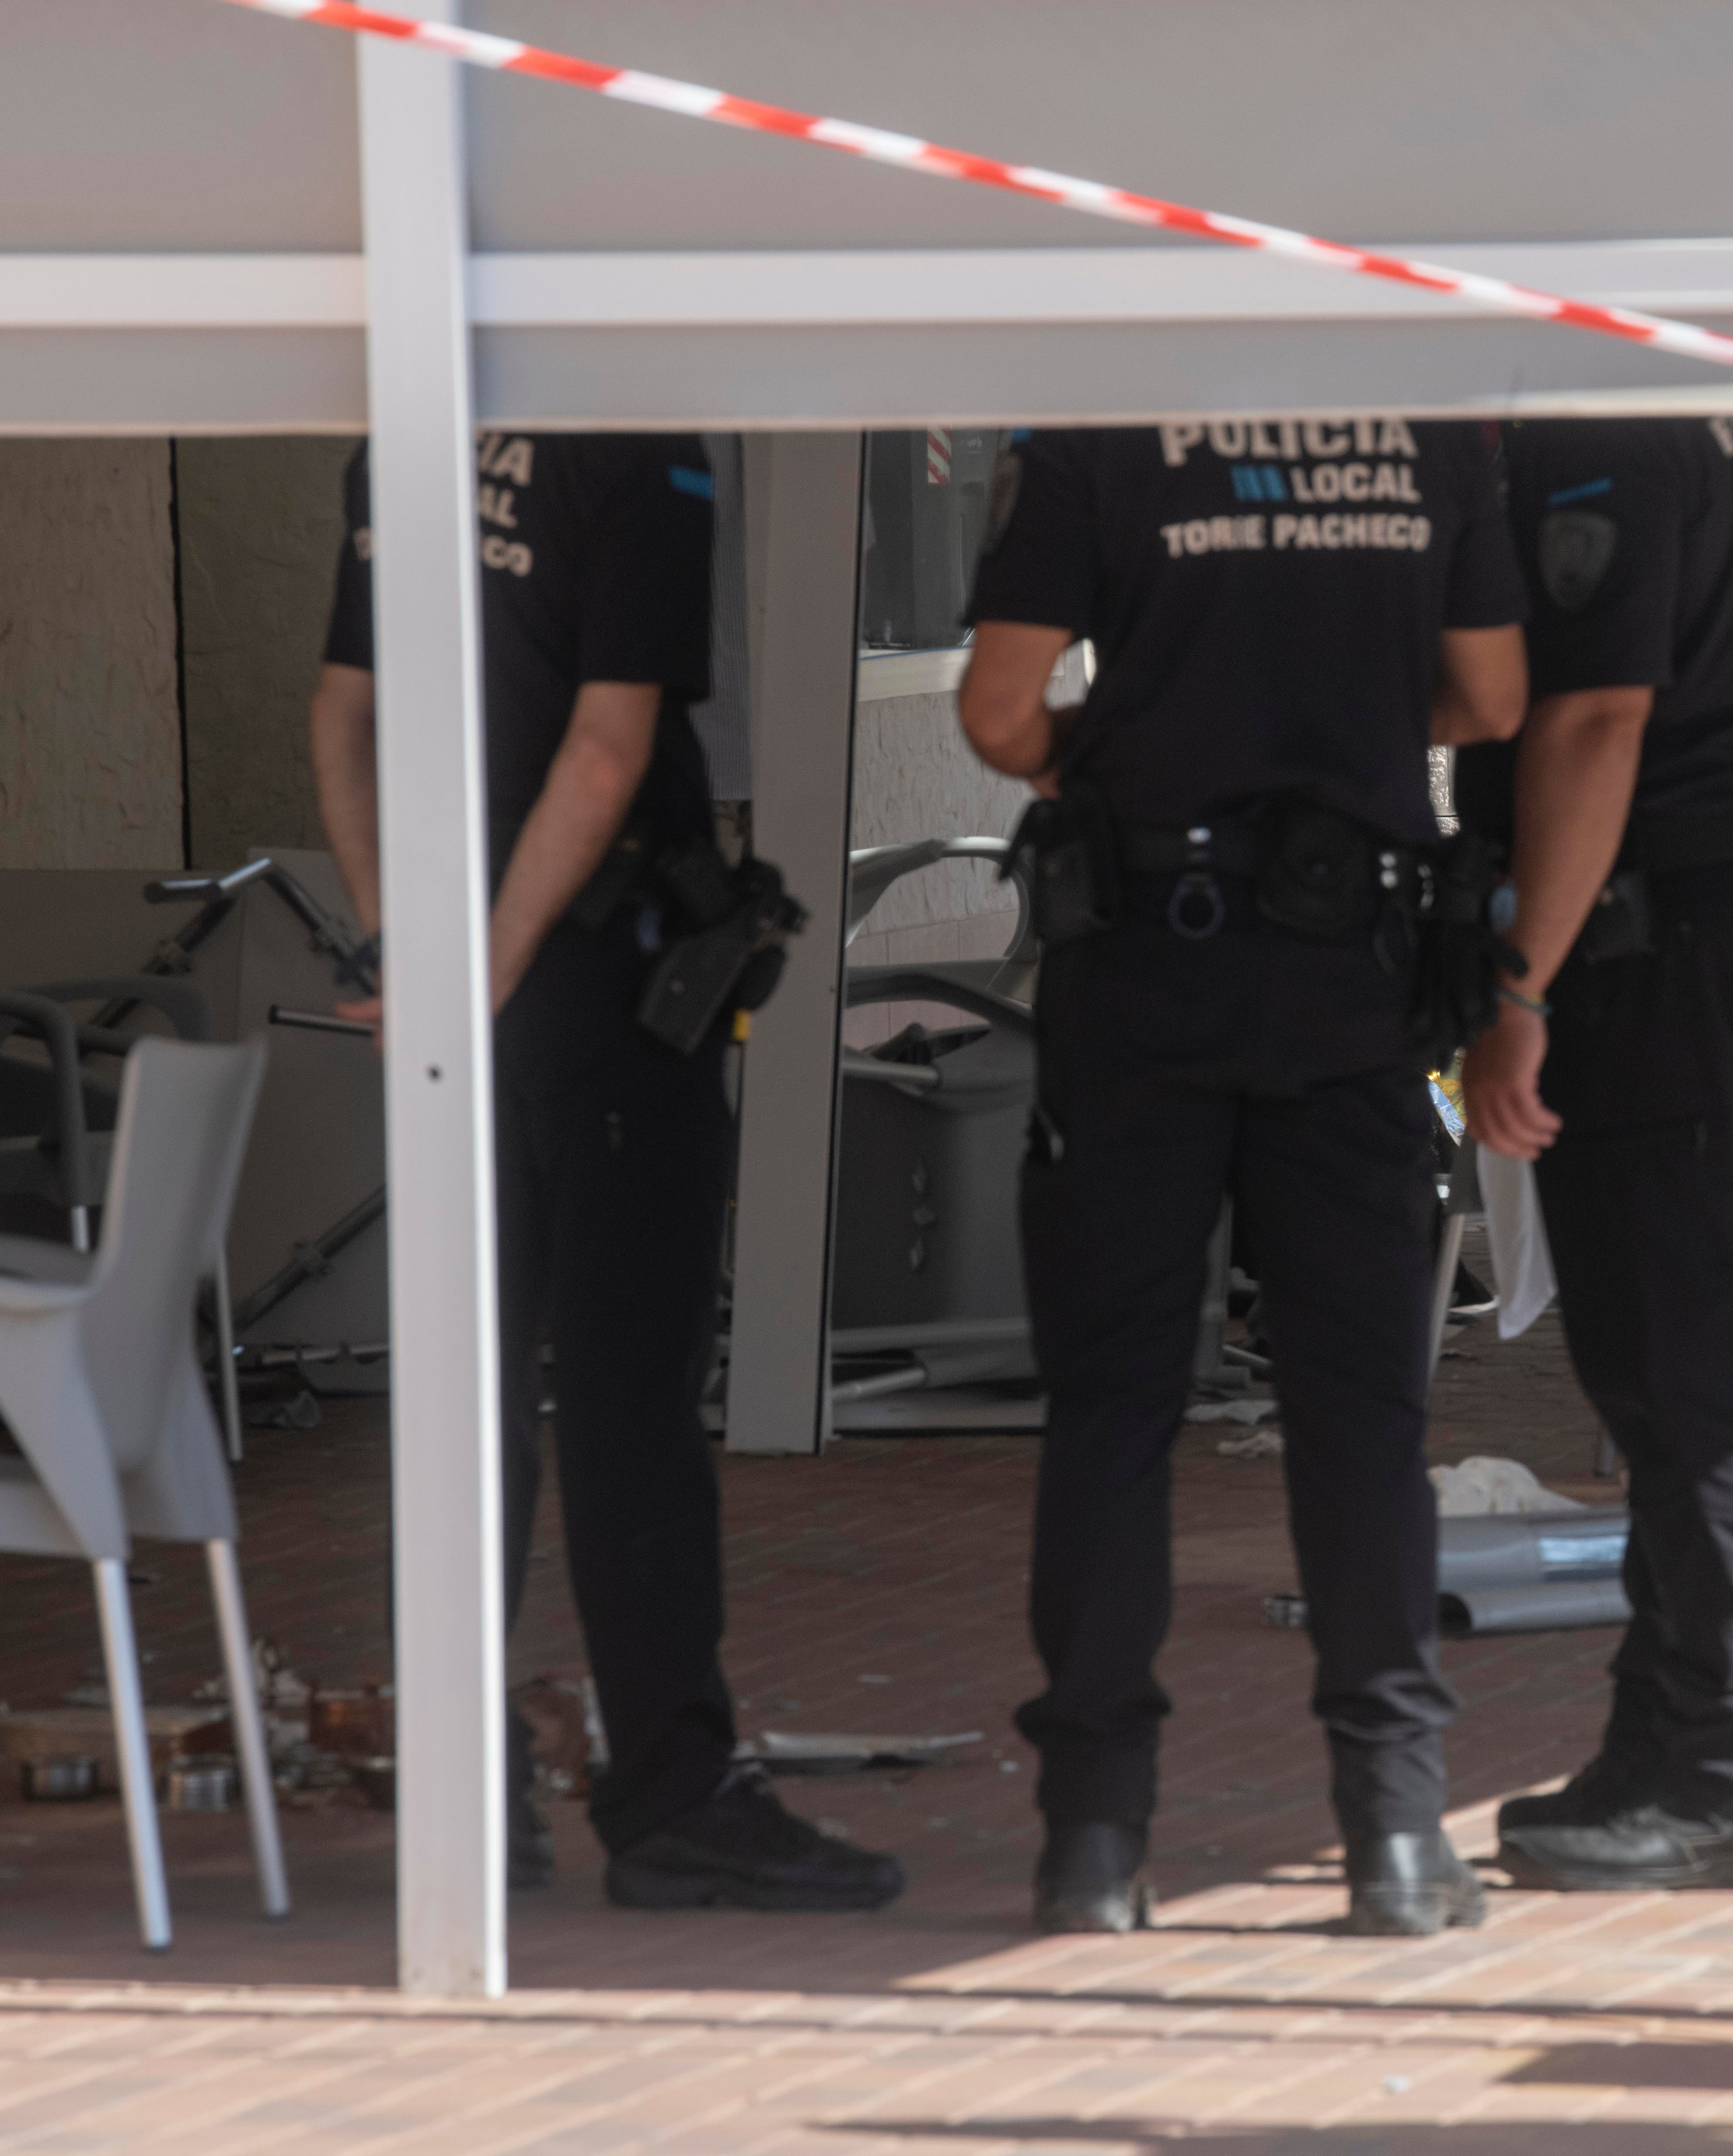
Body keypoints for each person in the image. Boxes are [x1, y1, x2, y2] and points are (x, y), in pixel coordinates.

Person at [311, 433, 906, 1911]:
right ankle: (672, 1792)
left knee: (473, 1395)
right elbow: (606, 746)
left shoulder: (400, 432)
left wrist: (411, 947)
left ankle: (466, 1784)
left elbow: (343, 717)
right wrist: (485, 973)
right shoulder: (634, 452)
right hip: (594, 996)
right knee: (632, 1400)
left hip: (469, 996)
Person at [957, 414, 1526, 1937]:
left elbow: (1003, 712)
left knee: (1115, 1409)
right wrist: (1328, 727)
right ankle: (1397, 1835)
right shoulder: (1433, 439)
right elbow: (1489, 696)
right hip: (1345, 971)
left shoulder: (1096, 433)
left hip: (1140, 967)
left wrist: (1143, 739)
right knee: (1360, 1416)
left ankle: (1091, 1843)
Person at [1454, 411, 1733, 1892]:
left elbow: (1594, 718)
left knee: (1687, 1376)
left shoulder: (1604, 427)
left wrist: (1517, 991)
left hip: (1662, 923)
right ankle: (1663, 1733)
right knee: (1668, 1358)